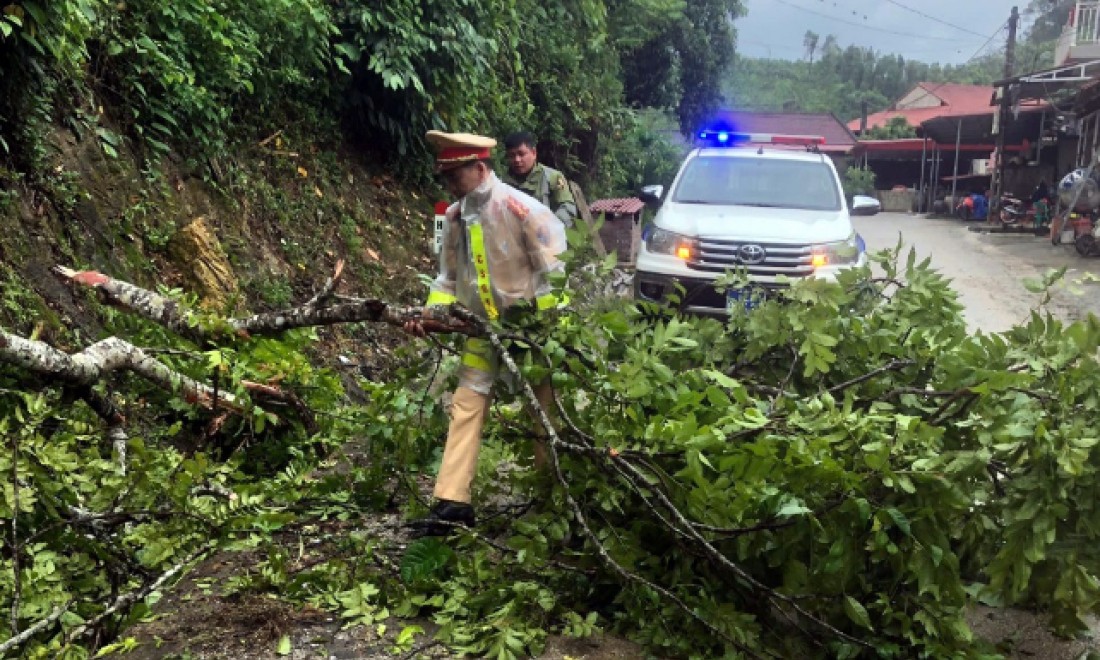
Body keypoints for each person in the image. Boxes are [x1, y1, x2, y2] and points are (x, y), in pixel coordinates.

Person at [403, 130, 567, 537]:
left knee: (542, 412)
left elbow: (554, 278)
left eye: (455, 175)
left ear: (479, 168)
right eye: (446, 176)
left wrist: (549, 332)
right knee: (466, 405)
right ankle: (452, 501)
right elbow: (447, 277)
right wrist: (428, 313)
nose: (450, 184)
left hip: (529, 333)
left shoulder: (523, 210)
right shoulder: (455, 217)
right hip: (481, 330)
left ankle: (557, 500)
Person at [502, 131, 578, 228]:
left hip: (548, 237)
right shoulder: (503, 184)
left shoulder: (552, 177)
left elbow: (568, 208)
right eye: (512, 155)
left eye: (521, 154)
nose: (517, 160)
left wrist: (549, 226)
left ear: (533, 153)